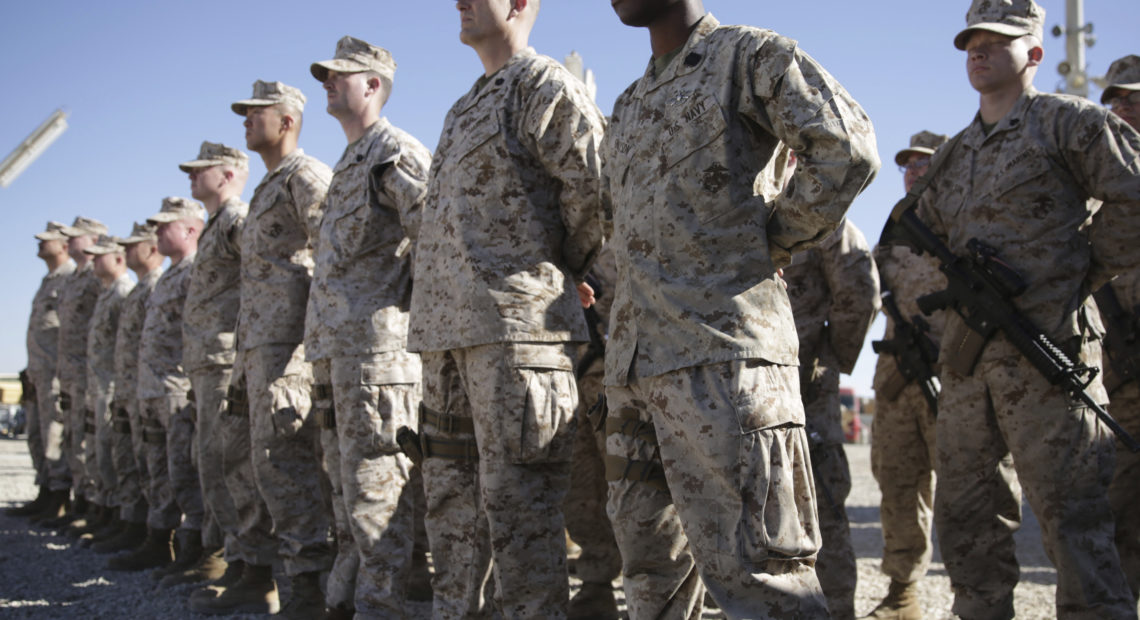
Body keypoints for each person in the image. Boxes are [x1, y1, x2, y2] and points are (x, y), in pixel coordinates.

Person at [602, 1, 878, 617]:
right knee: (652, 582)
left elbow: (846, 148)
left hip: (724, 363)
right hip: (637, 372)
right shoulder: (627, 104)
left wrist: (772, 240)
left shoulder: (749, 57)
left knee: (764, 582)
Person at [907, 2, 1140, 617]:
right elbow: (924, 236)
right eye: (971, 42)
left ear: (1034, 53)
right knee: (965, 522)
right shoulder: (954, 153)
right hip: (966, 367)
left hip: (1047, 356)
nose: (978, 51)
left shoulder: (1072, 125)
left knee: (1075, 523)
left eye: (997, 40)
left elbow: (1135, 198)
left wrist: (1079, 274)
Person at [407, 1, 607, 617]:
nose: (460, 4)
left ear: (521, 4)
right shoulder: (463, 107)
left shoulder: (546, 86)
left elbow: (597, 197)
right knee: (451, 514)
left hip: (517, 338)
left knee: (520, 522)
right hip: (446, 336)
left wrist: (549, 272)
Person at [191, 80, 332, 617]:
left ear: (288, 121)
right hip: (255, 350)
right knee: (254, 466)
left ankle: (308, 596)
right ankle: (268, 578)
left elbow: (331, 258)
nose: (246, 120)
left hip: (289, 349)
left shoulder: (306, 177)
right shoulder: (270, 187)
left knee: (288, 469)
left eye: (257, 112)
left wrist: (306, 349)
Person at [306, 36, 432, 618]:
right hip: (338, 355)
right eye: (326, 76)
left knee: (376, 492)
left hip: (378, 361)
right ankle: (349, 601)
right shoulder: (348, 163)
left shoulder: (393, 152)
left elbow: (436, 236)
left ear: (373, 85)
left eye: (341, 75)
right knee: (345, 491)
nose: (328, 83)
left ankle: (382, 608)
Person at [864, 131, 951, 620]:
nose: (914, 172)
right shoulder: (896, 224)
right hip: (897, 373)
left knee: (964, 486)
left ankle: (976, 592)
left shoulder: (959, 219)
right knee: (897, 481)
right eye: (908, 165)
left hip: (952, 370)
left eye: (924, 164)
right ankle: (903, 594)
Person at [783, 215, 879, 620]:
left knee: (820, 500)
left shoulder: (821, 212)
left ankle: (838, 609)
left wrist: (822, 359)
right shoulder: (737, 200)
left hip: (806, 382)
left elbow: (860, 293)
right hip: (744, 380)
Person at [165, 141, 250, 591]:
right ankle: (218, 553)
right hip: (204, 366)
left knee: (226, 463)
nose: (192, 176)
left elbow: (260, 280)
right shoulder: (218, 224)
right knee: (208, 464)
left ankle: (236, 560)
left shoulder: (237, 219)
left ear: (229, 174)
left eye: (202, 169)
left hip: (223, 362)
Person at [109, 198, 204, 573]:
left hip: (178, 389)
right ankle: (158, 538)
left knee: (184, 472)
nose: (157, 233)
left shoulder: (195, 271)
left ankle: (195, 548)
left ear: (190, 230)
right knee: (157, 470)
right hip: (152, 389)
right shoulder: (169, 276)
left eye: (165, 225)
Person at [1097, 54, 1140, 605]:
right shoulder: (1097, 177)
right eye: (1115, 100)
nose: (1122, 107)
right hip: (1121, 378)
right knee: (1120, 509)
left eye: (1132, 98)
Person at [94, 223, 163, 556]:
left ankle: (160, 536)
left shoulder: (150, 286)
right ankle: (131, 523)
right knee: (133, 458)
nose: (127, 251)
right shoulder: (137, 289)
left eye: (133, 245)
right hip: (130, 387)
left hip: (152, 387)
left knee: (160, 465)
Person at [563, 246, 622, 620]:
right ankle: (596, 581)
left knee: (634, 484)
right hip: (571, 369)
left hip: (621, 376)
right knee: (581, 487)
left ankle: (656, 589)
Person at [9, 222, 76, 521]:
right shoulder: (48, 281)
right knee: (36, 434)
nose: (40, 243)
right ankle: (46, 491)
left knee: (54, 435)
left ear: (64, 245)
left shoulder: (69, 279)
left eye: (47, 240)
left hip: (56, 373)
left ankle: (59, 497)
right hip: (38, 372)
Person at [74, 235, 135, 546]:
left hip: (115, 385)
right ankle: (108, 512)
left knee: (115, 452)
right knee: (101, 453)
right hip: (100, 384)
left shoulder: (123, 292)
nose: (94, 261)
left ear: (119, 259)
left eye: (101, 256)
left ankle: (119, 515)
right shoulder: (107, 294)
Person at [48, 216, 108, 529]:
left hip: (91, 373)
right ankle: (80, 502)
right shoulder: (74, 279)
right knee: (73, 438)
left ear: (94, 241)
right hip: (71, 373)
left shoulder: (98, 279)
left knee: (90, 441)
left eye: (76, 237)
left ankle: (94, 505)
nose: (69, 242)